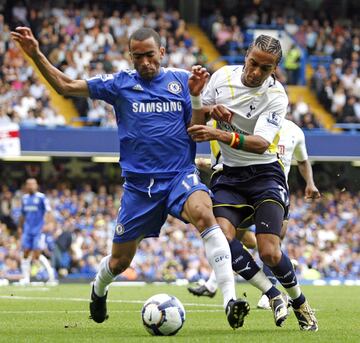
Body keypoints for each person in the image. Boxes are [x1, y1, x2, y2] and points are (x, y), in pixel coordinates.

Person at [11, 26, 249, 329]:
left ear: (161, 52)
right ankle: (98, 290)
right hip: (139, 187)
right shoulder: (119, 83)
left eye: (150, 55)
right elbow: (65, 85)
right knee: (119, 262)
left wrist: (199, 97)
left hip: (179, 176)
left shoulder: (181, 81)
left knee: (205, 214)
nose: (145, 62)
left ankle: (230, 301)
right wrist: (35, 54)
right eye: (138, 57)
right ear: (130, 56)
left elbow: (196, 128)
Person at [187, 34, 318, 331]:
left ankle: (299, 302)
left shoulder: (276, 95)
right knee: (221, 236)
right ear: (246, 55)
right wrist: (201, 103)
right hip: (228, 176)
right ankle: (272, 294)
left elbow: (260, 144)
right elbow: (196, 123)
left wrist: (221, 132)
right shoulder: (221, 77)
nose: (256, 72)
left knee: (270, 252)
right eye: (253, 63)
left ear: (275, 69)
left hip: (265, 175)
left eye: (265, 68)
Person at [188, 118, 320, 311]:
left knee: (273, 244)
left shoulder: (295, 131)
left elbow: (303, 161)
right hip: (242, 189)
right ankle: (225, 285)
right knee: (228, 240)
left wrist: (310, 183)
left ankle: (271, 286)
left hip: (275, 189)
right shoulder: (249, 121)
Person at [18, 178, 56, 285]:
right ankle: (25, 278)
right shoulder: (24, 198)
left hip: (38, 230)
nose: (30, 186)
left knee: (37, 254)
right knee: (25, 253)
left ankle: (51, 277)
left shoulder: (41, 197)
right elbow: (22, 215)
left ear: (36, 185)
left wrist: (49, 224)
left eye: (32, 184)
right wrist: (20, 227)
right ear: (26, 186)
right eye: (28, 184)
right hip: (27, 230)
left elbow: (48, 211)